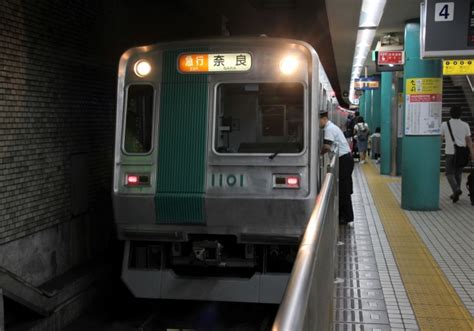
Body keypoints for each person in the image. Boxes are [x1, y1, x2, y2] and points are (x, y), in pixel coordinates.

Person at [320, 111, 354, 224]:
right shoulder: (332, 126)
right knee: (344, 188)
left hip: (344, 160)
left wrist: (318, 155)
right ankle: (345, 215)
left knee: (343, 189)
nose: (318, 123)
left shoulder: (329, 129)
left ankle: (346, 217)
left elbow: (326, 146)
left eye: (318, 121)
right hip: (346, 159)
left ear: (324, 119)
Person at [440, 106, 474, 203]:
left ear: (450, 113)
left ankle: (456, 190)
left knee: (449, 173)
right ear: (460, 114)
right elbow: (469, 141)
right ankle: (456, 194)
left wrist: (438, 149)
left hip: (450, 152)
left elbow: (441, 139)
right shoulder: (465, 125)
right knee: (458, 173)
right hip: (462, 153)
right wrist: (472, 153)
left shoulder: (444, 124)